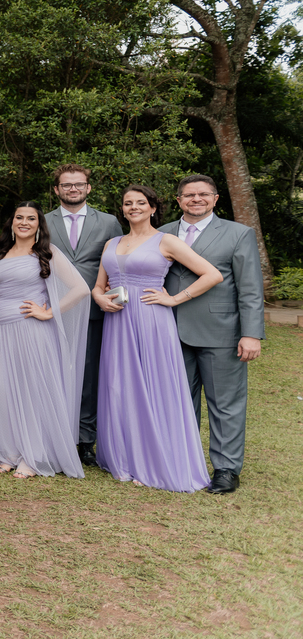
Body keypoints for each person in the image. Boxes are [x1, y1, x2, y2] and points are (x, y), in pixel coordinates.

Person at [93, 185, 221, 492]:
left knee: (152, 385)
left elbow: (212, 274)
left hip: (151, 320)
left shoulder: (167, 241)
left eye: (141, 202)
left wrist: (175, 299)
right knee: (119, 386)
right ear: (122, 210)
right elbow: (99, 285)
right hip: (117, 321)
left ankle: (152, 460)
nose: (133, 207)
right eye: (128, 203)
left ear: (153, 208)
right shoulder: (112, 242)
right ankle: (125, 457)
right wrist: (98, 298)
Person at [0, 203, 89, 479]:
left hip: (31, 330)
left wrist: (49, 312)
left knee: (31, 390)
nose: (24, 222)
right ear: (11, 222)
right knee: (1, 390)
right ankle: (9, 453)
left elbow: (80, 288)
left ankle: (33, 456)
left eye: (30, 218)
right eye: (19, 217)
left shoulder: (46, 253)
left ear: (38, 224)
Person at [160, 174, 265, 494]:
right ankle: (182, 463)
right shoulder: (161, 233)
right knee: (178, 402)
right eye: (189, 194)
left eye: (203, 194)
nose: (196, 199)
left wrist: (251, 333)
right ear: (178, 200)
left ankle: (226, 469)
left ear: (216, 199)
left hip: (222, 332)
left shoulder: (238, 233)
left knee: (225, 405)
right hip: (169, 330)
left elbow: (250, 288)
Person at [44, 164, 123, 468]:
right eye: (66, 185)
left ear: (88, 188)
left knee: (88, 378)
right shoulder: (42, 221)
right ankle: (53, 435)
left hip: (93, 310)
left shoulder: (109, 222)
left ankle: (85, 440)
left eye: (79, 184)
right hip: (52, 308)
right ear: (57, 190)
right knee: (52, 372)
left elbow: (118, 263)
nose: (73, 189)